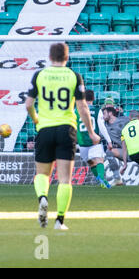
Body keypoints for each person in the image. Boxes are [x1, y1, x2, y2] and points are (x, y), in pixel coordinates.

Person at [25, 42, 101, 230]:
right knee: (65, 179)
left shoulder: (39, 75)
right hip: (66, 129)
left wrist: (36, 120)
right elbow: (82, 107)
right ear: (67, 57)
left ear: (50, 57)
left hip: (45, 129)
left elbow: (28, 104)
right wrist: (91, 132)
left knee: (42, 174)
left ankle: (43, 198)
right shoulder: (74, 76)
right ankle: (59, 221)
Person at [75, 89, 111, 189]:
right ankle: (102, 179)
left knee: (91, 163)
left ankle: (100, 181)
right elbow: (102, 127)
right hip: (94, 140)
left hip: (82, 142)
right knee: (99, 160)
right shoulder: (97, 110)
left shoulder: (77, 110)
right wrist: (109, 141)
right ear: (93, 98)